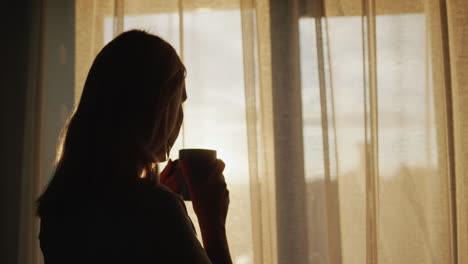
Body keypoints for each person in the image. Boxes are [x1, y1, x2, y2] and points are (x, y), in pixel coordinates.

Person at [36, 30, 232, 264]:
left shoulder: (60, 208)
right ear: (157, 108)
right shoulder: (158, 210)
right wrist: (213, 225)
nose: (180, 118)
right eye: (178, 102)